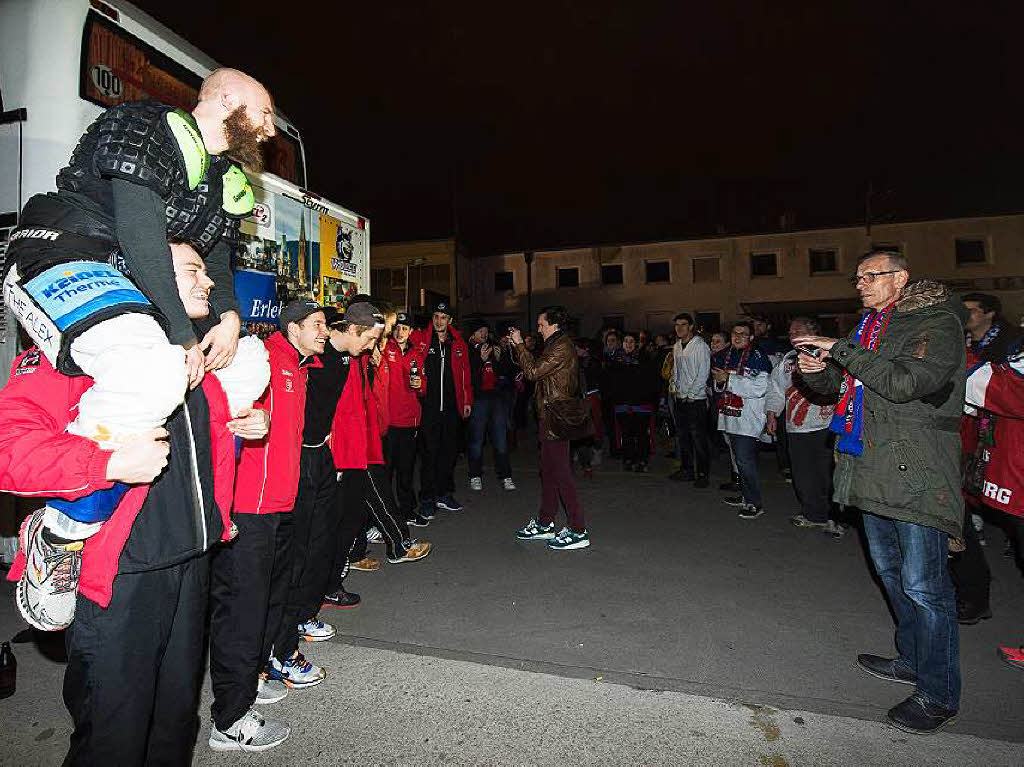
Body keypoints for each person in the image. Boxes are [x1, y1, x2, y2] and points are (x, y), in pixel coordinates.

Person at [3, 68, 274, 628]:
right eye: (265, 114)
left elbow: (215, 260)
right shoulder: (146, 125)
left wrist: (226, 318)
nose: (269, 130)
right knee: (155, 369)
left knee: (249, 357)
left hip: (130, 280)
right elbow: (146, 243)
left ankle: (200, 504)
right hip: (63, 256)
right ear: (227, 99)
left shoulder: (222, 176)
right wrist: (181, 338)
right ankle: (61, 529)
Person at [1, 246, 269, 765]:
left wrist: (245, 427)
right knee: (113, 740)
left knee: (174, 727)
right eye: (193, 270)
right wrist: (104, 466)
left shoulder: (194, 354)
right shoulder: (84, 354)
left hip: (191, 563)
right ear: (142, 274)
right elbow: (10, 449)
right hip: (118, 579)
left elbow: (200, 442)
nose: (208, 282)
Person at [795, 248, 966, 734]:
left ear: (902, 278)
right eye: (858, 278)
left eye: (872, 275)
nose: (862, 284)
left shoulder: (935, 323)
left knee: (925, 587)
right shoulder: (869, 327)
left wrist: (842, 351)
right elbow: (845, 383)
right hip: (870, 467)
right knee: (891, 574)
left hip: (916, 471)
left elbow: (906, 382)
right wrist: (818, 370)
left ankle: (939, 694)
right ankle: (912, 659)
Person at [208, 298, 329, 752]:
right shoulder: (260, 357)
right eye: (317, 325)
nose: (323, 332)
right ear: (293, 327)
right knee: (242, 609)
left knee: (270, 600)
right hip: (248, 507)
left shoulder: (300, 365)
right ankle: (229, 719)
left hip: (281, 503)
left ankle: (253, 677)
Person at [511, 306, 590, 550]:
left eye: (541, 323)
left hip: (557, 415)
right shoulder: (554, 344)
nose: (538, 328)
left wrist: (519, 345)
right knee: (548, 470)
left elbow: (533, 371)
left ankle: (578, 529)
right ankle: (546, 522)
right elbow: (535, 368)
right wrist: (518, 348)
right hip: (548, 414)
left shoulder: (561, 345)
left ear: (554, 324)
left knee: (561, 472)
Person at [765, 316, 839, 535]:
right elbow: (776, 389)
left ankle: (834, 518)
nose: (793, 336)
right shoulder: (787, 360)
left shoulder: (828, 356)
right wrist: (772, 413)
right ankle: (813, 514)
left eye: (798, 331)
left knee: (828, 473)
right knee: (802, 473)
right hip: (796, 427)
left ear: (813, 332)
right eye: (790, 333)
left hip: (825, 425)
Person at [410, 302, 472, 514]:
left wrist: (466, 402)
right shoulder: (421, 340)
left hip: (452, 408)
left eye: (443, 317)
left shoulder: (458, 343)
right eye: (436, 316)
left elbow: (466, 376)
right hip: (429, 407)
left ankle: (444, 493)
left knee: (448, 453)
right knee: (429, 454)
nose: (439, 321)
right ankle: (427, 498)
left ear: (450, 321)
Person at [712, 321, 772, 518]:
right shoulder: (723, 356)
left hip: (748, 417)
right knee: (738, 460)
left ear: (751, 338)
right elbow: (716, 386)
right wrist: (721, 383)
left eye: (743, 334)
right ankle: (746, 495)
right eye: (735, 333)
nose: (737, 337)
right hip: (729, 415)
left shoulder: (758, 357)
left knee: (745, 461)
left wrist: (728, 380)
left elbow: (760, 388)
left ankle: (755, 503)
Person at [381, 311, 430, 527]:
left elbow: (423, 388)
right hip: (388, 422)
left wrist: (421, 386)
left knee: (406, 471)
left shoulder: (416, 355)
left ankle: (408, 511)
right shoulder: (383, 349)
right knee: (385, 473)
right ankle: (381, 516)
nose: (401, 332)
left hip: (409, 423)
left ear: (411, 331)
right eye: (398, 328)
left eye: (405, 328)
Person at [466, 319, 517, 491]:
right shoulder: (467, 350)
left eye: (486, 331)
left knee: (501, 439)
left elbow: (505, 372)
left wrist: (499, 358)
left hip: (496, 398)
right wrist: (481, 360)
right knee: (476, 439)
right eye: (481, 330)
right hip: (478, 399)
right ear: (473, 333)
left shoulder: (493, 347)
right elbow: (468, 378)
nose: (484, 334)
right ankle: (475, 475)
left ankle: (505, 475)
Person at [667, 313, 711, 487]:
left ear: (691, 326)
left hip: (695, 400)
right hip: (680, 398)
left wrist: (691, 395)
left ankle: (702, 474)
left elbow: (703, 372)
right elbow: (676, 370)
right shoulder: (677, 346)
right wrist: (676, 389)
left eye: (683, 324)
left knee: (698, 438)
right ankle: (686, 469)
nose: (679, 328)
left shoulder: (700, 346)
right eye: (677, 325)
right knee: (683, 436)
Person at [606, 331, 661, 472]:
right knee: (626, 433)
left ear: (636, 343)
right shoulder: (615, 361)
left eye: (631, 341)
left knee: (642, 434)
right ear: (622, 343)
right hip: (623, 404)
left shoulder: (645, 359)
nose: (629, 344)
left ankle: (642, 460)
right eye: (626, 341)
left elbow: (652, 382)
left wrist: (652, 401)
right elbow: (611, 384)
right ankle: (628, 459)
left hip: (641, 404)